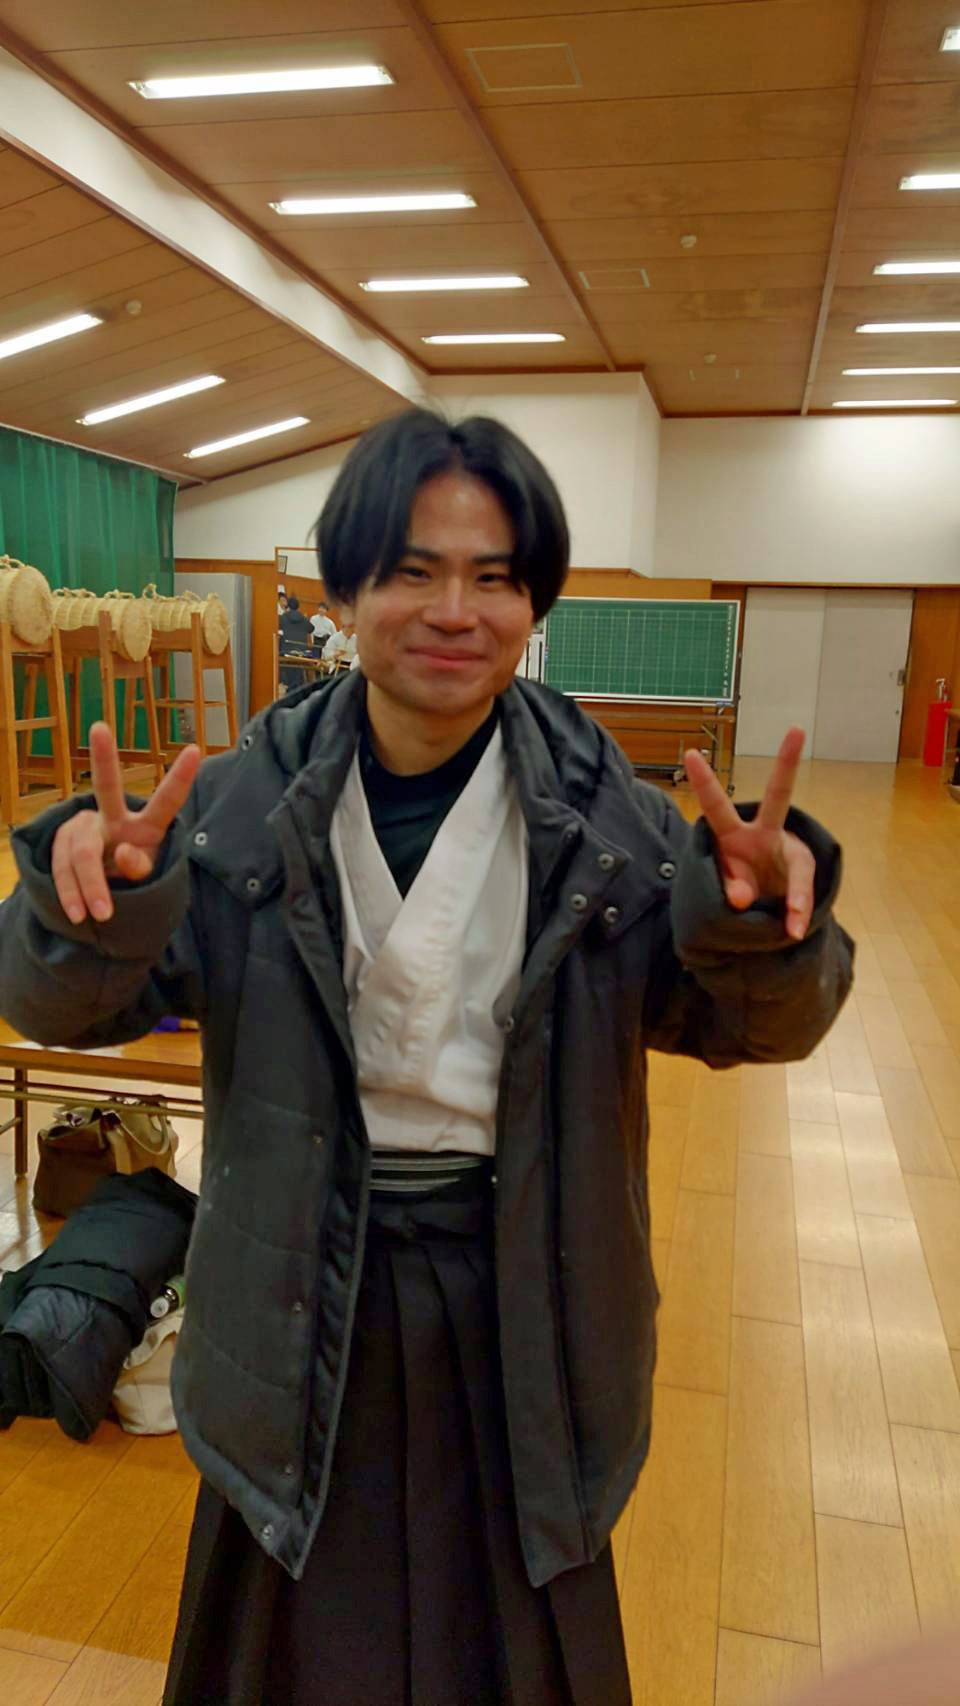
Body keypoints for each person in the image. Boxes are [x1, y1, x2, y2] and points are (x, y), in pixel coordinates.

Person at [0, 408, 853, 1706]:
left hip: (529, 1296)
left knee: (520, 1644)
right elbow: (60, 1006)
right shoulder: (233, 807)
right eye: (412, 569)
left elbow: (752, 1022)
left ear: (533, 603)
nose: (455, 609)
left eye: (494, 575)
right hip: (293, 1298)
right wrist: (89, 910)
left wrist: (757, 930)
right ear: (345, 594)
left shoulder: (613, 820)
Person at [278, 595, 314, 692]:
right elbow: (311, 628)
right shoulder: (304, 619)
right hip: (301, 653)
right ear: (298, 607)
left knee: (286, 673)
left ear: (288, 606)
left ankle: (287, 686)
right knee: (298, 674)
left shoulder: (282, 618)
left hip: (286, 652)